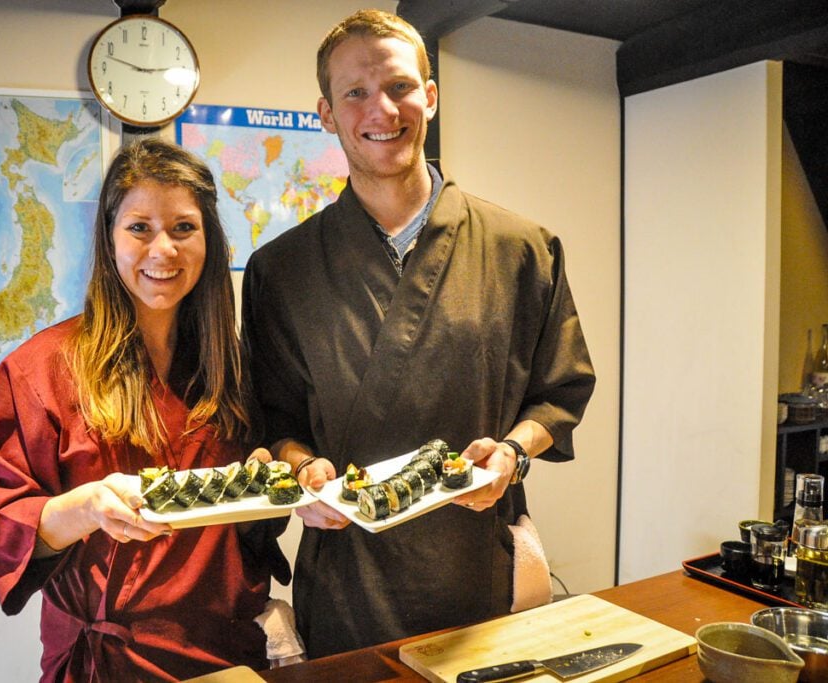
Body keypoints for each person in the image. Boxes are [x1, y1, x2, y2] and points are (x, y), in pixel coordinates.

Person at [241, 9, 596, 658]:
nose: (383, 108)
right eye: (356, 92)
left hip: (477, 568)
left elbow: (561, 390)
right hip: (347, 580)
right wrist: (303, 473)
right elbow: (272, 420)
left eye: (401, 86)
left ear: (429, 97)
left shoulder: (523, 248)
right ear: (326, 112)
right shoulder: (280, 270)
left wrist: (512, 454)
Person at [0, 137, 289, 681]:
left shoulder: (229, 366)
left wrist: (268, 488)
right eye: (139, 228)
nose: (163, 250)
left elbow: (250, 531)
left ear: (208, 239)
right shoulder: (40, 370)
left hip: (224, 649)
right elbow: (4, 525)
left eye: (184, 228)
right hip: (107, 660)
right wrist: (88, 507)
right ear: (109, 238)